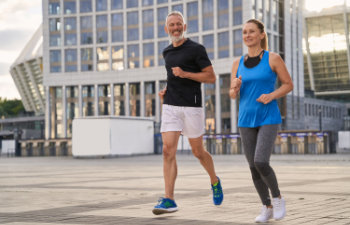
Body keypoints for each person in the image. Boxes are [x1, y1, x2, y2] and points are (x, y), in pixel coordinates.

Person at [152, 11, 223, 215]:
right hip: (171, 105)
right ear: (166, 29)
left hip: (192, 106)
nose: (175, 28)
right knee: (167, 151)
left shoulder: (196, 49)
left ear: (185, 26)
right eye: (171, 25)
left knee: (198, 152)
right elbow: (172, 78)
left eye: (178, 24)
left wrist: (186, 74)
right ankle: (169, 199)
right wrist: (166, 90)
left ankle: (214, 180)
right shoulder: (166, 52)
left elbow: (211, 77)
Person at [229, 19, 293, 223]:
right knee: (252, 166)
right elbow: (232, 94)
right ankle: (266, 207)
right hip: (245, 119)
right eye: (244, 32)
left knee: (260, 161)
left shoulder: (273, 58)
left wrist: (272, 95)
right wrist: (234, 88)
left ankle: (278, 198)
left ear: (261, 35)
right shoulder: (237, 63)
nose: (247, 35)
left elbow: (288, 84)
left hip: (268, 116)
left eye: (252, 32)